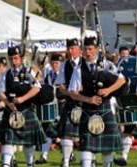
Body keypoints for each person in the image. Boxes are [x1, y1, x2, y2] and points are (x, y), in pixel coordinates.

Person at [69, 36, 125, 167]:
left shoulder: (107, 65)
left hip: (105, 110)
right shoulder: (78, 69)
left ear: (97, 49)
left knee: (107, 149)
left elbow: (122, 80)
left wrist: (108, 90)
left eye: (90, 49)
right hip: (88, 110)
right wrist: (88, 99)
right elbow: (73, 93)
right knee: (87, 148)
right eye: (85, 49)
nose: (87, 52)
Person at [0, 45, 46, 167]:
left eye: (15, 58)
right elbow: (1, 93)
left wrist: (22, 99)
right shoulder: (5, 74)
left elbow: (37, 88)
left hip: (26, 110)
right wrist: (8, 103)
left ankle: (29, 164)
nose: (13, 62)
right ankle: (6, 164)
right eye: (11, 59)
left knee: (29, 142)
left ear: (21, 58)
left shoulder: (30, 71)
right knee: (8, 140)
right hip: (11, 112)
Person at [57, 38, 82, 167]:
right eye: (68, 48)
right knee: (67, 133)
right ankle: (66, 161)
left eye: (72, 48)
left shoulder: (85, 63)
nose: (70, 51)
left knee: (88, 132)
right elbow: (60, 84)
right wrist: (68, 92)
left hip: (85, 102)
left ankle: (90, 160)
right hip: (70, 101)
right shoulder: (65, 64)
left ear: (79, 49)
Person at [35, 53, 63, 165]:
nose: (55, 65)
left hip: (62, 106)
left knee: (65, 134)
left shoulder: (65, 75)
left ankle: (67, 157)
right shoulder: (47, 76)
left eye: (57, 63)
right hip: (50, 107)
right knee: (48, 132)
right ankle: (44, 155)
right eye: (53, 63)